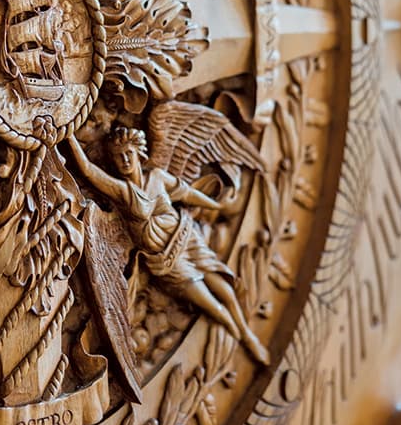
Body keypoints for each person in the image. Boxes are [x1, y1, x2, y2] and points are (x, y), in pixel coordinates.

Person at [66, 126, 269, 364]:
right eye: (118, 156)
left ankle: (248, 335)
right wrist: (68, 134)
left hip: (187, 238)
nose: (124, 160)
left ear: (139, 154)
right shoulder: (123, 192)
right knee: (214, 308)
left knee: (226, 292)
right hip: (167, 260)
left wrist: (217, 206)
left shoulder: (157, 177)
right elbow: (89, 171)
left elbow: (187, 194)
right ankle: (244, 348)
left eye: (128, 154)